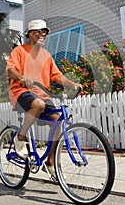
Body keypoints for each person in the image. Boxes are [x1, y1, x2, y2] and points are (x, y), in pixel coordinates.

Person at [6, 19, 82, 178]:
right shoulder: (19, 51)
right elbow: (11, 70)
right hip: (20, 91)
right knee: (38, 104)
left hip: (41, 93)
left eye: (44, 32)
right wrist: (21, 77)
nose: (42, 35)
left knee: (58, 121)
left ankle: (50, 162)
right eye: (38, 32)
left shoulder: (46, 55)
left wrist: (72, 84)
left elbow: (57, 76)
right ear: (30, 34)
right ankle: (20, 138)